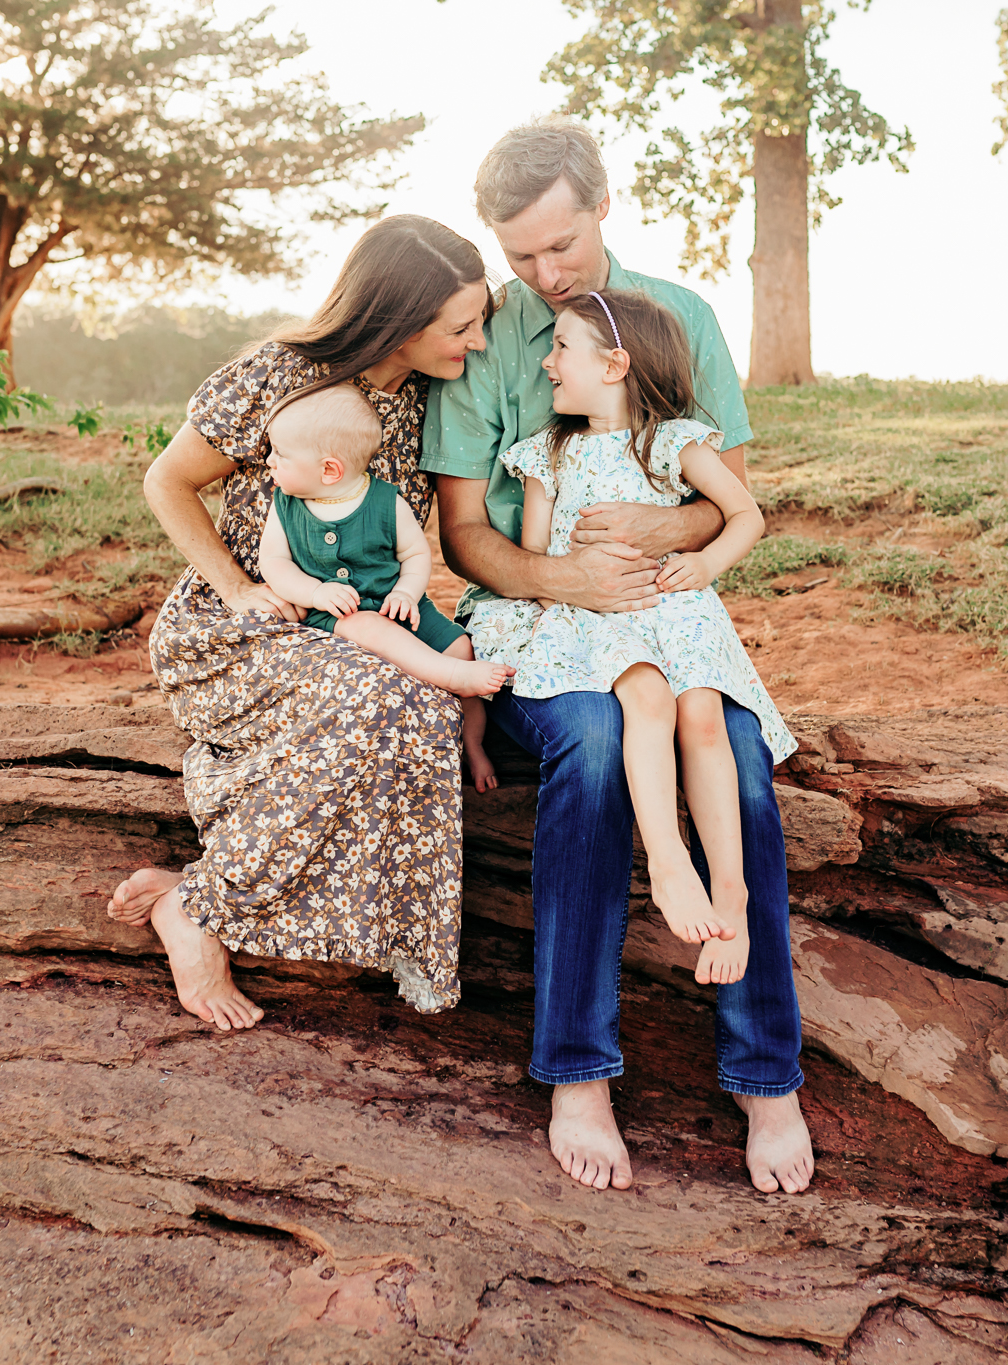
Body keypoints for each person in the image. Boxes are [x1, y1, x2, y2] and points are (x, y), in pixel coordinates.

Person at [422, 119, 815, 1195]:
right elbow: (468, 532)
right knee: (593, 746)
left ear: (602, 206)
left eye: (561, 247)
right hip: (538, 631)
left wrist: (652, 538)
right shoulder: (489, 342)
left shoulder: (677, 317)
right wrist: (567, 584)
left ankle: (763, 1071)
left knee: (733, 756)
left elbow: (713, 503)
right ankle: (579, 1069)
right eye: (520, 257)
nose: (544, 276)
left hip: (657, 623)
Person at [106, 214, 492, 1028]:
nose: (479, 341)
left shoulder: (433, 402)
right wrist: (240, 587)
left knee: (424, 707)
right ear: (400, 319)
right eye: (462, 325)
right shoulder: (279, 376)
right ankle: (197, 910)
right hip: (239, 629)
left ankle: (406, 949)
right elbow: (167, 482)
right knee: (385, 701)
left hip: (352, 627)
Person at [468, 289, 795, 985]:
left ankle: (731, 888)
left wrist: (703, 562)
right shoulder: (546, 456)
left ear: (614, 364)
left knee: (703, 717)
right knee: (646, 698)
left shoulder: (674, 441)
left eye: (561, 349)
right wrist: (568, 568)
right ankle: (671, 861)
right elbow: (537, 560)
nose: (548, 364)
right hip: (596, 616)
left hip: (672, 607)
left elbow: (745, 514)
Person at [255, 384, 511, 792]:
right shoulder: (285, 506)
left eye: (280, 454)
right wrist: (315, 593)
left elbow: (415, 555)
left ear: (329, 470)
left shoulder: (386, 502)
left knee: (461, 645)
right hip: (339, 615)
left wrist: (408, 593)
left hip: (400, 603)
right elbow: (274, 564)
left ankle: (473, 743)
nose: (268, 461)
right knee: (372, 628)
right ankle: (452, 677)